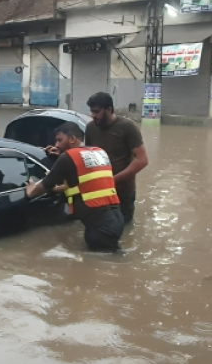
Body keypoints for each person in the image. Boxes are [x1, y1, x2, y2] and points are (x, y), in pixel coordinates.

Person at [26, 122, 124, 251]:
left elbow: (46, 184)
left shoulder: (67, 158)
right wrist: (62, 156)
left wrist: (30, 192)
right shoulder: (99, 152)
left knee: (96, 266)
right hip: (116, 220)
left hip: (100, 228)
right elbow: (84, 184)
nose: (56, 145)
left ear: (72, 139)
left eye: (60, 140)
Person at [84, 92, 148, 222]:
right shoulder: (91, 128)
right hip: (99, 191)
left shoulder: (127, 127)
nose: (93, 115)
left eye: (97, 112)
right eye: (92, 112)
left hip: (123, 191)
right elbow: (88, 155)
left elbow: (142, 160)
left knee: (124, 229)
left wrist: (113, 180)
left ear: (109, 109)